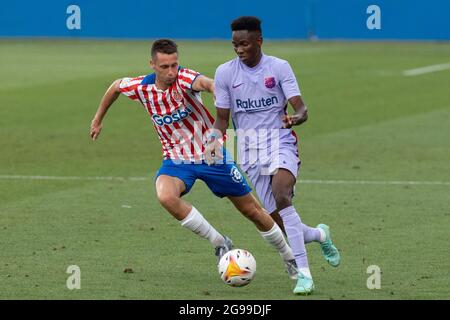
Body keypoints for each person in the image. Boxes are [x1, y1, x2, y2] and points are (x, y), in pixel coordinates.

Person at [90, 38, 299, 281]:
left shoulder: (184, 79)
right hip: (176, 159)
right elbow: (115, 86)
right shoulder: (141, 87)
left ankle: (289, 257)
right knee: (166, 196)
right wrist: (97, 119)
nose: (171, 72)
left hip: (211, 153)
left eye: (174, 65)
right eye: (165, 67)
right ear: (152, 65)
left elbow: (206, 83)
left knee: (251, 210)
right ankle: (219, 242)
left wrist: (216, 91)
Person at [207, 17, 341, 295]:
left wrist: (297, 118)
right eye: (234, 44)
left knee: (282, 195)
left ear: (259, 41)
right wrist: (211, 140)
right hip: (249, 149)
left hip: (280, 142)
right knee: (280, 220)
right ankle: (319, 234)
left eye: (244, 43)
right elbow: (222, 120)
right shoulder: (224, 73)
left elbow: (301, 108)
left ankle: (304, 274)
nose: (239, 49)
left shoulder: (279, 68)